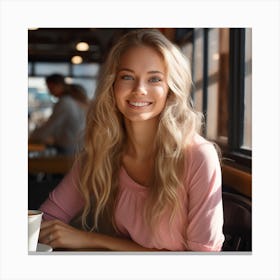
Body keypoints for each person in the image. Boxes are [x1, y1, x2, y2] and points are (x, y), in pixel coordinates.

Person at [38, 29, 225, 251]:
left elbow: (201, 264)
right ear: (113, 85)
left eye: (154, 79)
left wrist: (92, 240)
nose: (139, 90)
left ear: (170, 89)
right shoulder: (102, 153)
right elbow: (45, 220)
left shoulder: (198, 156)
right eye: (127, 77)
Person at [29, 74, 88, 155]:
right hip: (77, 144)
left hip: (69, 146)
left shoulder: (65, 102)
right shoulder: (73, 99)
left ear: (59, 86)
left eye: (51, 88)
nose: (50, 92)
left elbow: (50, 126)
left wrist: (32, 137)